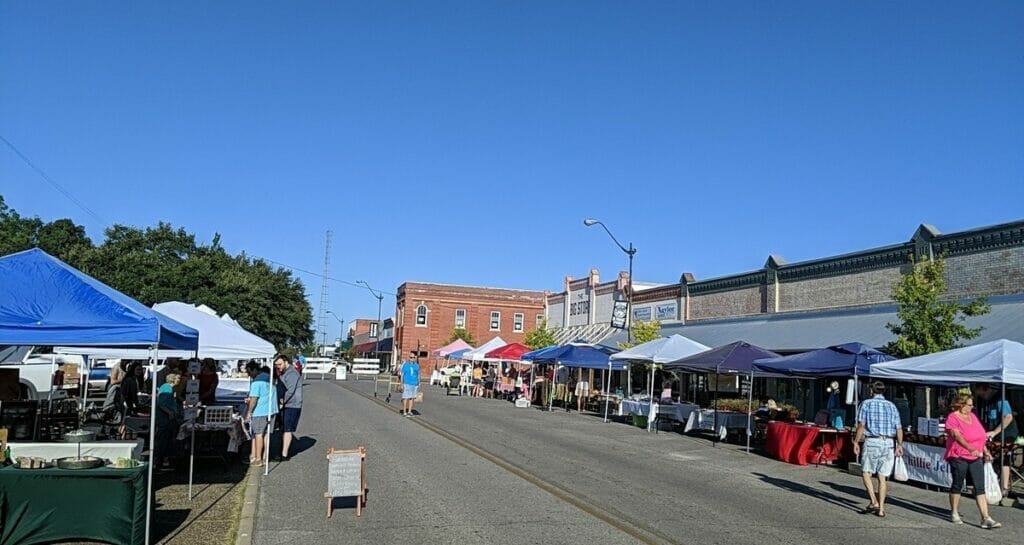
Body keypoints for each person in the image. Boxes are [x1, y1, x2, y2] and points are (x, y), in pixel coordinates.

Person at [945, 393, 1001, 529]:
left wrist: (986, 452)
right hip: (958, 455)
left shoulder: (973, 417)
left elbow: (981, 437)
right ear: (960, 405)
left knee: (979, 486)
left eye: (972, 405)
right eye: (969, 405)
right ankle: (954, 512)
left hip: (976, 456)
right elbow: (956, 436)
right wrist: (970, 448)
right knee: (958, 483)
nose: (972, 407)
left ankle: (985, 517)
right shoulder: (952, 418)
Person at [852, 381, 903, 518]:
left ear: (871, 391)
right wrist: (899, 444)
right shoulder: (892, 406)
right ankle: (881, 508)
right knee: (882, 477)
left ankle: (874, 501)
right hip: (889, 442)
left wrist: (856, 441)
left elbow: (862, 425)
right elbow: (898, 427)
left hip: (873, 440)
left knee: (866, 472)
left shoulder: (867, 404)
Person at [974, 383, 1018, 499]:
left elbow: (1008, 417)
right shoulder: (981, 400)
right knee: (987, 455)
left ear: (987, 389)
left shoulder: (1000, 399)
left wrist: (994, 432)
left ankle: (1004, 488)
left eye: (983, 393)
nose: (982, 396)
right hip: (990, 432)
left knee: (1004, 457)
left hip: (1006, 433)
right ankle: (987, 484)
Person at [243, 361, 278, 467]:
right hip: (271, 410)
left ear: (254, 370)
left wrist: (249, 412)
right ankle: (264, 457)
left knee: (258, 434)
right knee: (267, 434)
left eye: (249, 372)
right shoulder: (270, 378)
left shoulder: (256, 382)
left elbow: (254, 399)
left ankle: (258, 459)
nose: (249, 375)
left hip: (260, 411)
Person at [274, 354, 303, 461]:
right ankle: (282, 450)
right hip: (286, 404)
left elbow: (290, 390)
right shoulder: (283, 373)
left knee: (287, 429)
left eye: (280, 364)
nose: (278, 367)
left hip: (293, 405)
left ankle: (284, 454)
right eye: (276, 365)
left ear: (286, 362)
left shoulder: (292, 374)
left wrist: (282, 401)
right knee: (283, 428)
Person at [154, 372, 182, 471]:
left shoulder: (168, 388)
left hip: (167, 419)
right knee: (163, 440)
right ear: (173, 379)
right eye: (178, 378)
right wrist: (170, 412)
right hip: (165, 420)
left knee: (165, 440)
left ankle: (162, 462)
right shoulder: (167, 388)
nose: (180, 380)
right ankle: (160, 464)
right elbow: (161, 403)